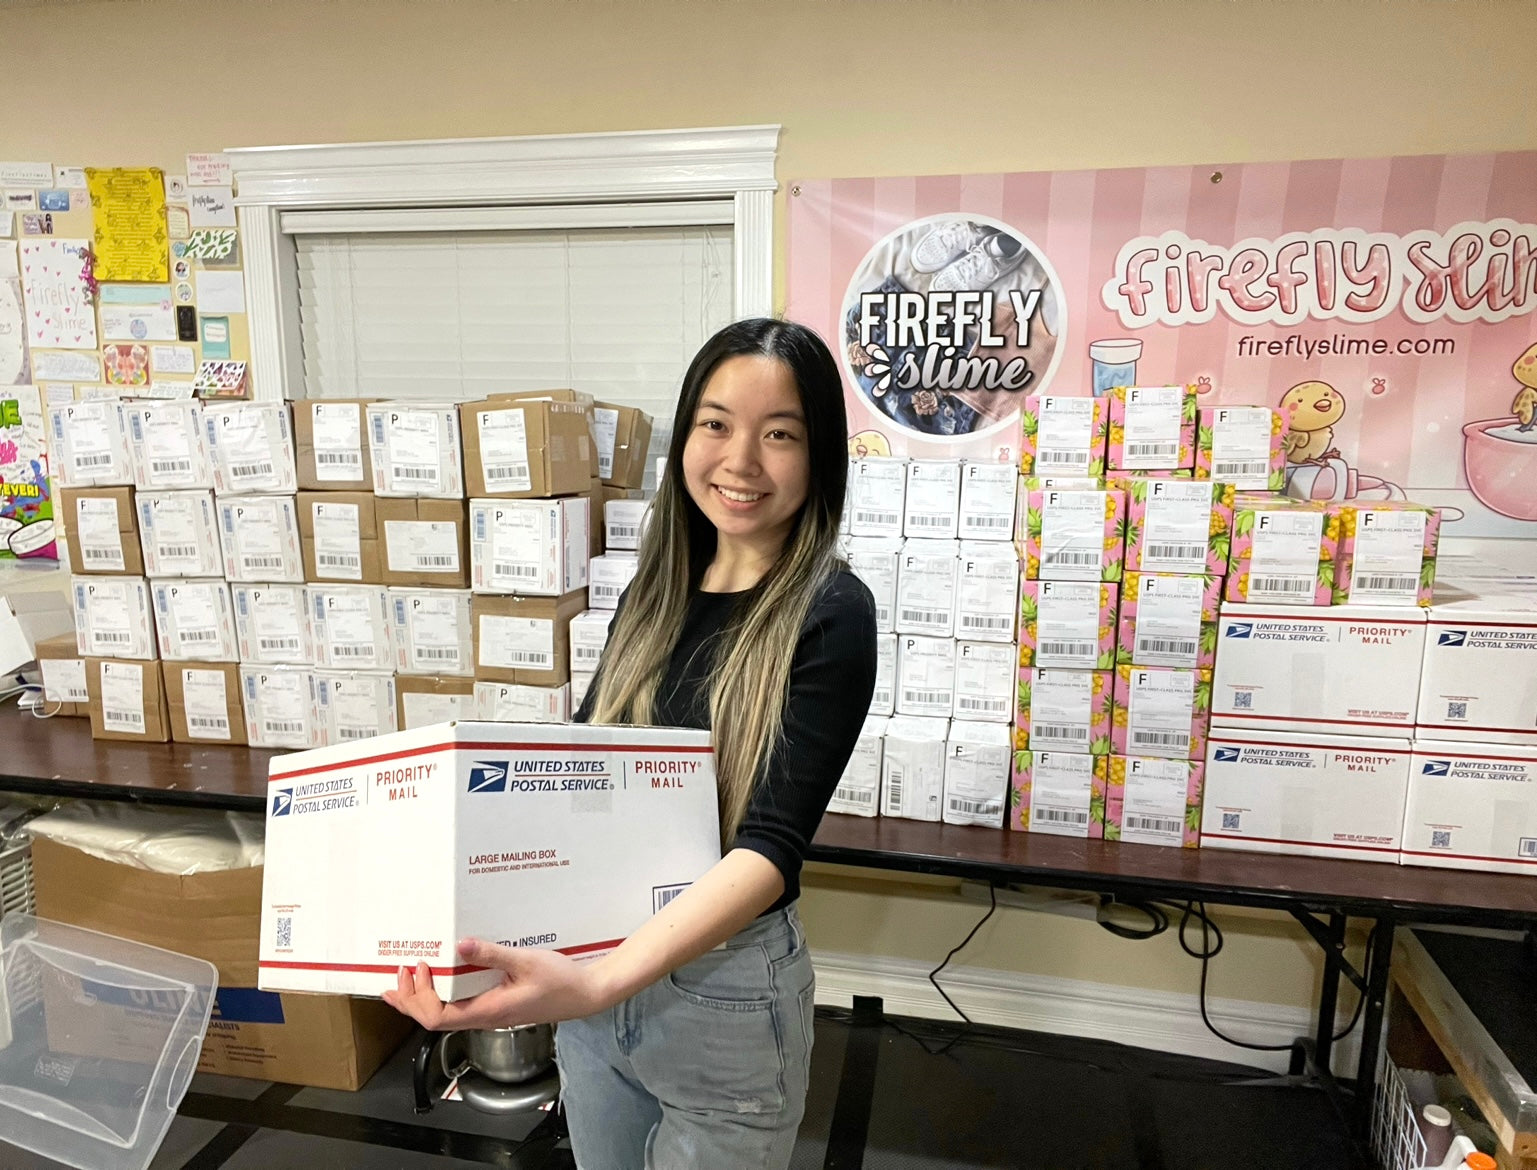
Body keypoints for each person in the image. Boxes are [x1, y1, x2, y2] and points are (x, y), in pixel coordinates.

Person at [384, 317, 879, 1168]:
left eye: (780, 434)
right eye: (716, 424)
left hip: (719, 990)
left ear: (819, 454)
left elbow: (768, 850)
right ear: (685, 433)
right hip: (595, 967)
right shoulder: (652, 595)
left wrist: (599, 980)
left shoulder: (831, 612)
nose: (741, 461)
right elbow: (586, 777)